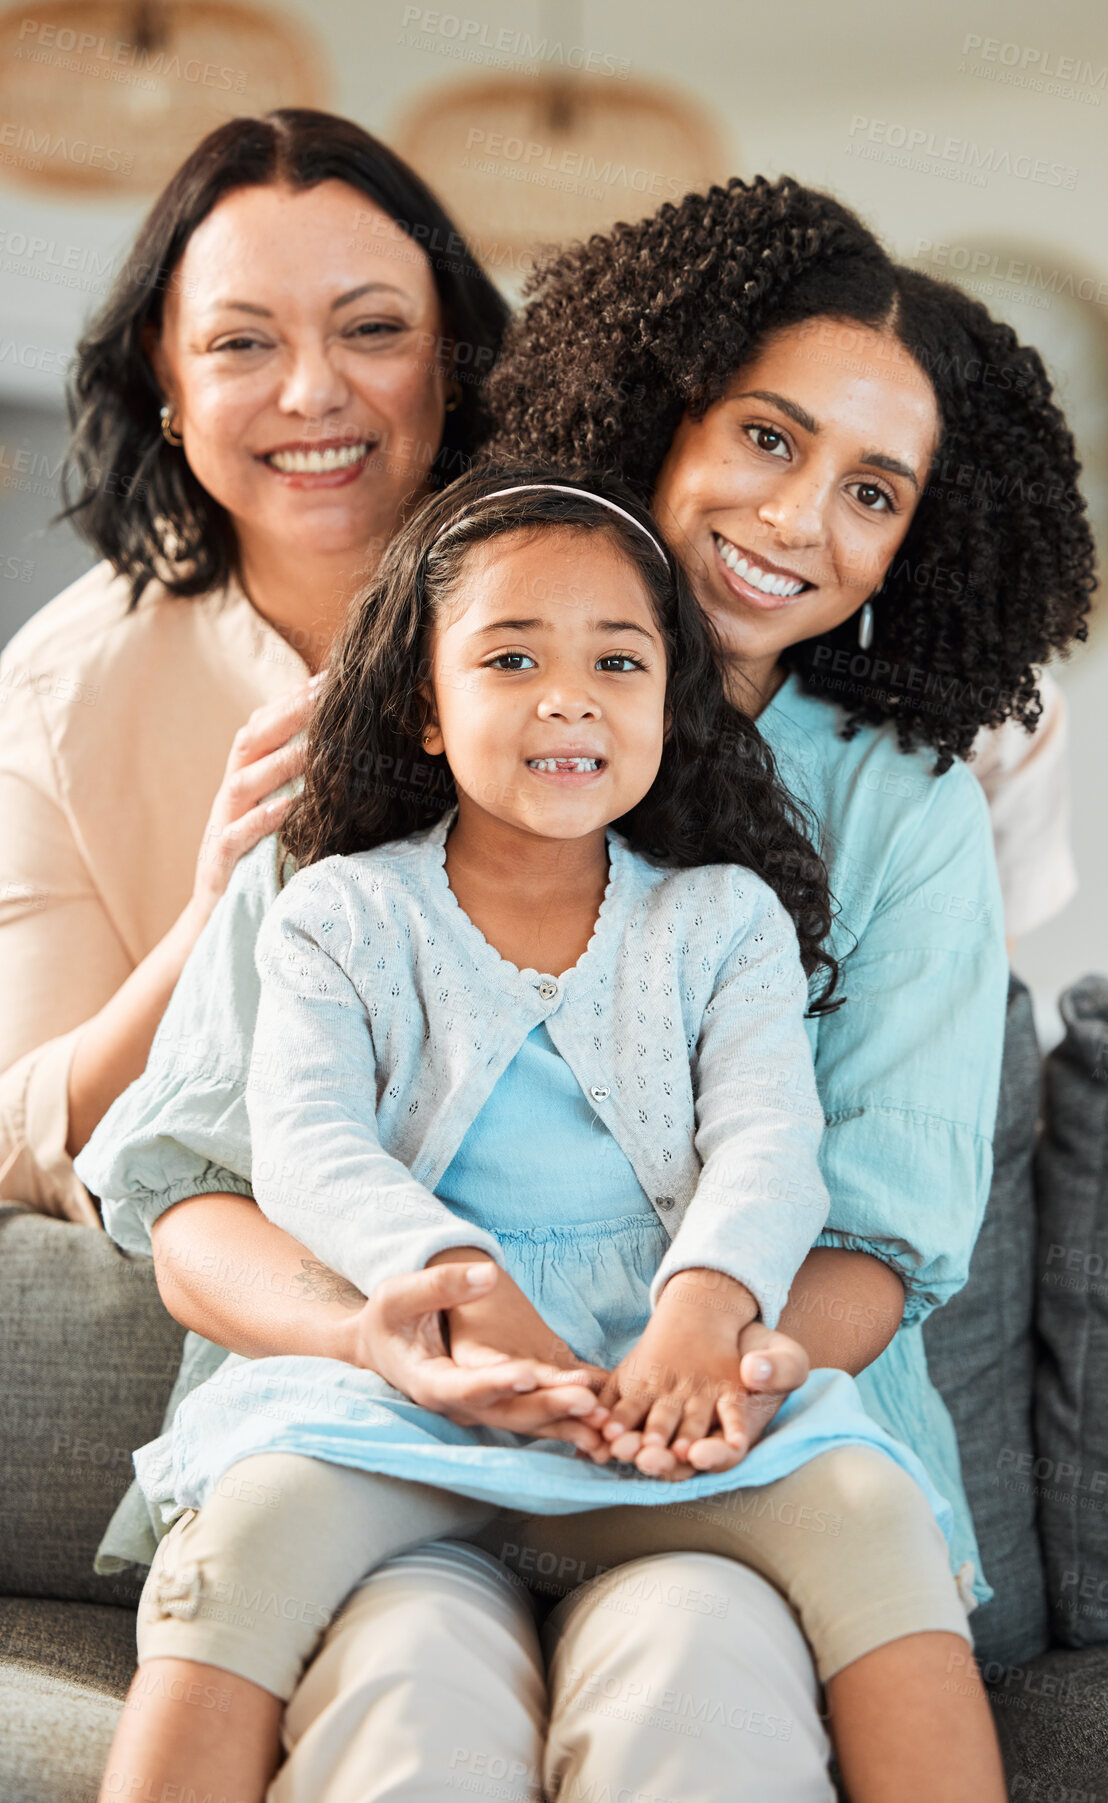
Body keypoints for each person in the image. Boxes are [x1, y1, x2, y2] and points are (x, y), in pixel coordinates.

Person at [82, 174, 1093, 1796]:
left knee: (697, 1676)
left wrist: (701, 1365)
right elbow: (199, 1188)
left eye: (870, 490)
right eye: (765, 439)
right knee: (405, 1689)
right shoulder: (399, 725)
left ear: (920, 535)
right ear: (660, 410)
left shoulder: (887, 813)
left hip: (727, 1417)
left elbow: (868, 1227)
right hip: (381, 1401)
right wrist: (400, 1336)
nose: (794, 519)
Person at [0, 106, 507, 1222]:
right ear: (165, 376)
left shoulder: (591, 604)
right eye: (241, 342)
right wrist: (212, 916)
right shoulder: (59, 692)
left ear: (451, 355)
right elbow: (26, 1134)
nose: (312, 392)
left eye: (372, 329)